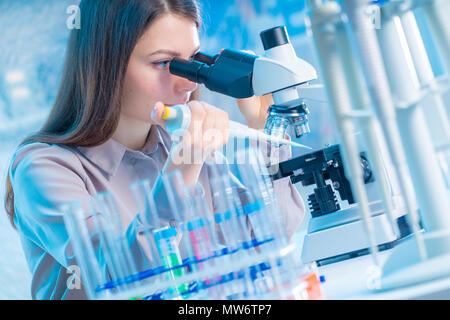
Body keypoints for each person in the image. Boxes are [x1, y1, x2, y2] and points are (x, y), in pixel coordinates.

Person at [4, 0, 305, 300]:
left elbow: (266, 240)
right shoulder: (42, 169)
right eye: (163, 63)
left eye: (193, 60)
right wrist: (183, 170)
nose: (186, 84)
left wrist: (266, 131)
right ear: (105, 65)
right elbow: (120, 276)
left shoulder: (179, 144)